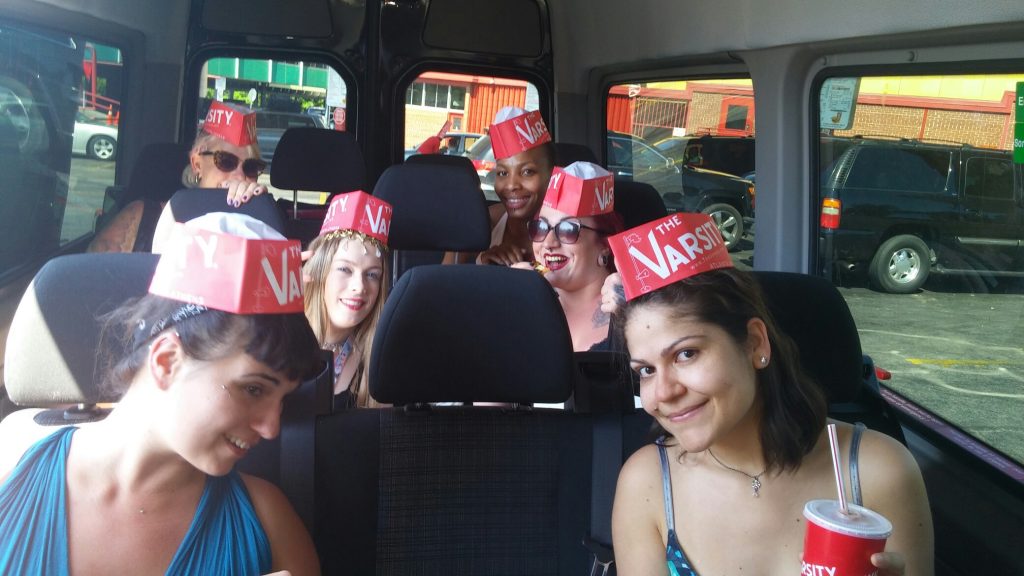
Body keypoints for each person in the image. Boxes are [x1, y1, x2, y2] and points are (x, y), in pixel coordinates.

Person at [606, 213, 933, 576]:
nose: (663, 393)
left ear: (755, 343)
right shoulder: (647, 485)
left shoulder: (879, 471)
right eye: (646, 370)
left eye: (686, 354)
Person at [0, 213, 323, 575]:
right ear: (167, 361)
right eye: (253, 389)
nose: (272, 428)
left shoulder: (270, 525)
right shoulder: (8, 468)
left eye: (283, 399)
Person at [89, 101, 268, 253]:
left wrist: (263, 214)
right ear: (197, 164)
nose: (240, 176)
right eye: (226, 161)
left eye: (251, 167)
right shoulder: (143, 218)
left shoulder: (263, 226)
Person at [303, 191, 392, 409]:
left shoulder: (377, 362)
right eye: (345, 269)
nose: (359, 287)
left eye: (372, 275)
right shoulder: (276, 336)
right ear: (319, 270)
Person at [521, 161, 622, 351]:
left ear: (604, 244)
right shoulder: (522, 304)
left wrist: (636, 316)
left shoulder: (630, 311)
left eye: (567, 229)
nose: (548, 243)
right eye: (540, 227)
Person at [469, 106, 556, 266]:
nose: (511, 185)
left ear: (552, 175)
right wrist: (483, 266)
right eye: (503, 173)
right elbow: (444, 280)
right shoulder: (481, 223)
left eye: (527, 172)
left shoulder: (571, 231)